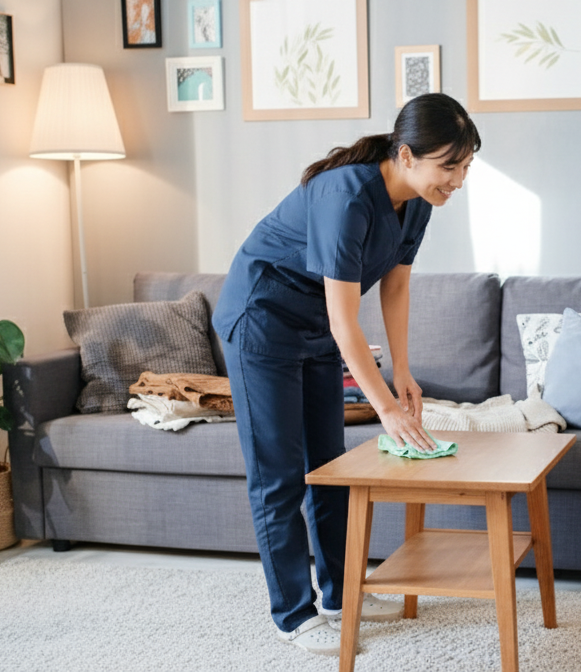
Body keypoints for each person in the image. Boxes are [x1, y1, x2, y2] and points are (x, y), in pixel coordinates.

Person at [211, 93, 480, 656]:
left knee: (330, 469)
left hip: (312, 329)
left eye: (464, 168)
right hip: (262, 320)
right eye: (448, 166)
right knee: (279, 475)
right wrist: (384, 407)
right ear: (407, 155)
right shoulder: (345, 196)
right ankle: (292, 614)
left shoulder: (419, 202)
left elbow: (397, 284)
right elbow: (343, 317)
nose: (456, 180)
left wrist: (402, 370)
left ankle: (338, 596)